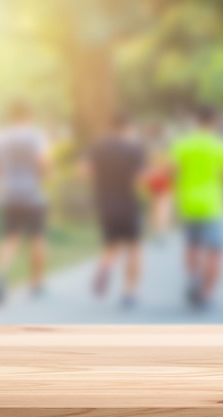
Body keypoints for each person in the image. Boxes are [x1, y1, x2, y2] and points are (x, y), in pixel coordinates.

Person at [171, 107, 223, 310]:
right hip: (212, 204)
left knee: (192, 246)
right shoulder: (220, 146)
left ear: (196, 121)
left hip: (188, 203)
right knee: (215, 251)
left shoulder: (182, 144)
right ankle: (207, 294)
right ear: (215, 122)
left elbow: (173, 172)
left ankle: (193, 278)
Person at [0, 102, 51, 305]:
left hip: (10, 195)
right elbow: (43, 164)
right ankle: (36, 284)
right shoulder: (36, 136)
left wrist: (7, 175)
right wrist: (45, 173)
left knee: (10, 238)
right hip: (33, 195)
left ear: (11, 117)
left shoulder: (1, 138)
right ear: (29, 116)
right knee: (37, 238)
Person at [84, 115, 147, 309]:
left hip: (104, 202)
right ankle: (130, 293)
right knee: (134, 247)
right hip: (128, 202)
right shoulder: (134, 148)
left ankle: (104, 268)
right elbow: (141, 179)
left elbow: (84, 170)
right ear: (128, 127)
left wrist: (99, 183)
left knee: (111, 242)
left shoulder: (98, 147)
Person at [143, 126, 174, 243]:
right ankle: (160, 231)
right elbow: (170, 164)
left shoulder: (147, 147)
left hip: (150, 178)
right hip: (163, 178)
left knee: (153, 204)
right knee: (163, 205)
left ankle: (153, 228)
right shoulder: (165, 147)